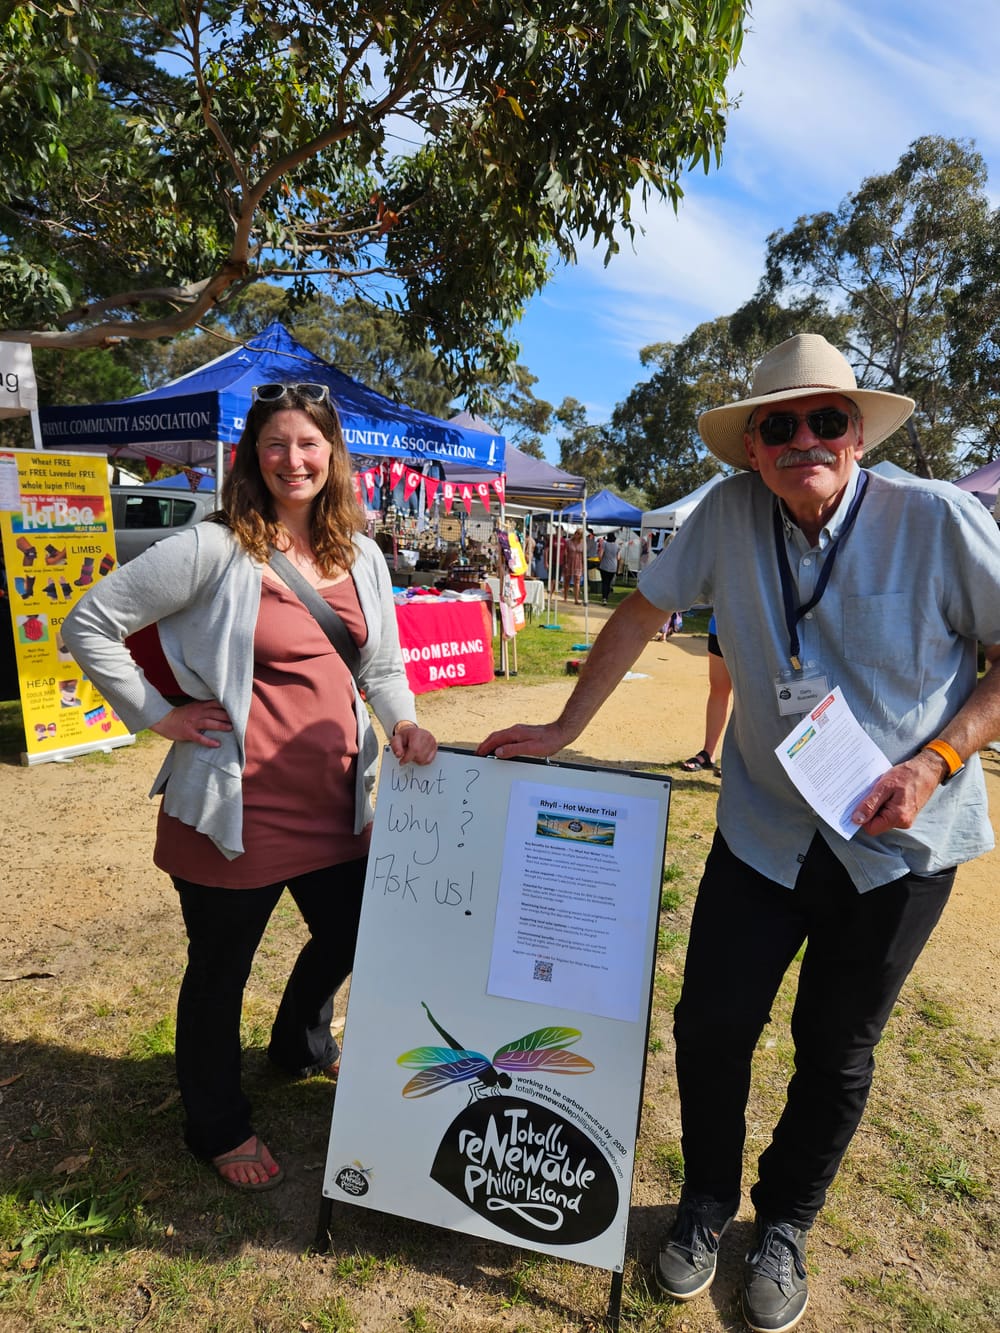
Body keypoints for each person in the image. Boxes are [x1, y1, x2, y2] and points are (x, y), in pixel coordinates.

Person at [478, 334, 1000, 1333]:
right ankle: (706, 1203)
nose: (805, 439)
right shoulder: (723, 515)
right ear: (753, 447)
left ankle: (786, 1221)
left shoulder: (935, 519)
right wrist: (561, 727)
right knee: (710, 1026)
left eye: (826, 420)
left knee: (834, 1051)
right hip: (764, 830)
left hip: (900, 845)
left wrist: (933, 762)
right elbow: (642, 612)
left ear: (857, 434)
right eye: (779, 425)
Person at [64, 381, 438, 1193]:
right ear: (252, 455)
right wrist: (158, 714)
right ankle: (216, 1123)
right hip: (236, 809)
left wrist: (403, 720)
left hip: (336, 802)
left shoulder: (362, 554)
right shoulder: (215, 546)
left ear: (333, 454)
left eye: (308, 443)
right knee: (219, 970)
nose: (292, 459)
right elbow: (89, 622)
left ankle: (299, 1041)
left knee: (359, 931)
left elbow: (381, 666)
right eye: (275, 443)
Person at [680, 613, 732, 777]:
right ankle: (708, 753)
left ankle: (741, 760)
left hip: (756, 630)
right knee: (718, 688)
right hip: (721, 624)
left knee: (748, 696)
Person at [597, 530, 620, 603]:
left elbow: (600, 555)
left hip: (604, 566)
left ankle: (604, 598)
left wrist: (600, 560)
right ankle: (606, 597)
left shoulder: (605, 544)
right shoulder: (617, 546)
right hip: (613, 567)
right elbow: (618, 557)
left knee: (604, 582)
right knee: (609, 583)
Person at [562, 527, 584, 603]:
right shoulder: (568, 542)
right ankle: (565, 597)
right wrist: (565, 563)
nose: (576, 534)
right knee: (567, 580)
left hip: (578, 563)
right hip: (569, 562)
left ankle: (576, 599)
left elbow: (583, 555)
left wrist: (583, 565)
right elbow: (565, 553)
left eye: (579, 534)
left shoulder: (583, 543)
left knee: (577, 580)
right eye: (576, 533)